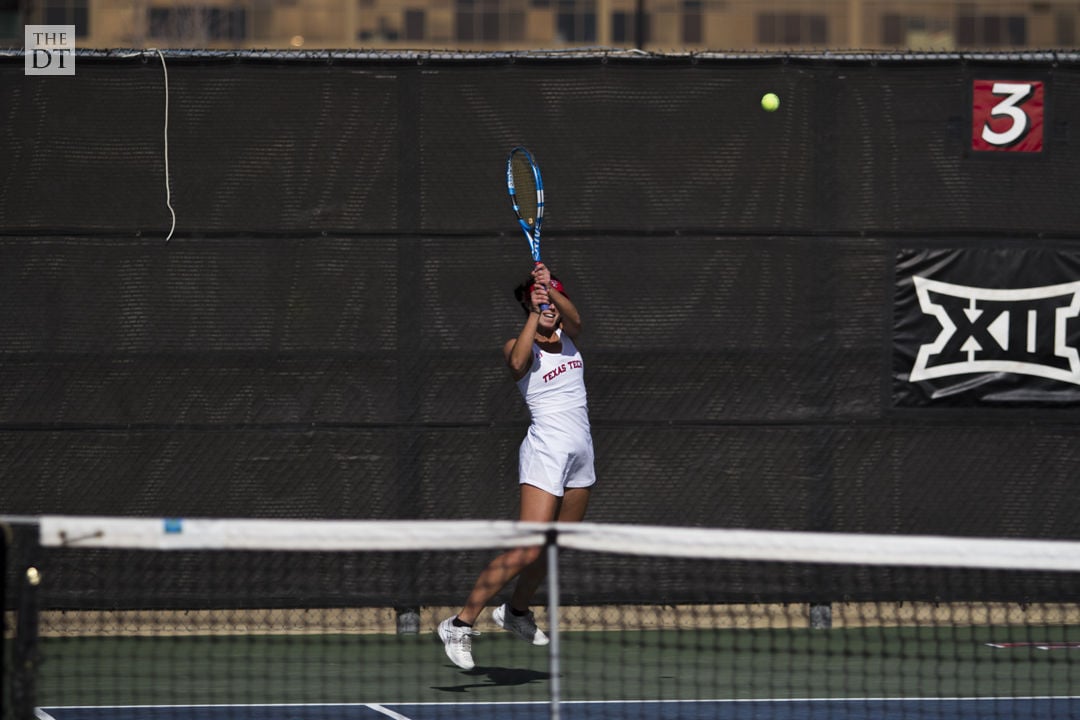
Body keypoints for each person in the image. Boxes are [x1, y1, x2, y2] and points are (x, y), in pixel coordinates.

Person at [437, 262, 596, 670]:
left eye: (554, 297)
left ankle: (516, 613)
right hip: (546, 452)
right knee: (527, 547)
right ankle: (459, 623)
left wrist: (550, 290)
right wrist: (533, 310)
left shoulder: (570, 335)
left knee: (554, 548)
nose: (551, 306)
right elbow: (515, 365)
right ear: (530, 304)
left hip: (580, 453)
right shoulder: (518, 343)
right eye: (542, 298)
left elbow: (576, 318)